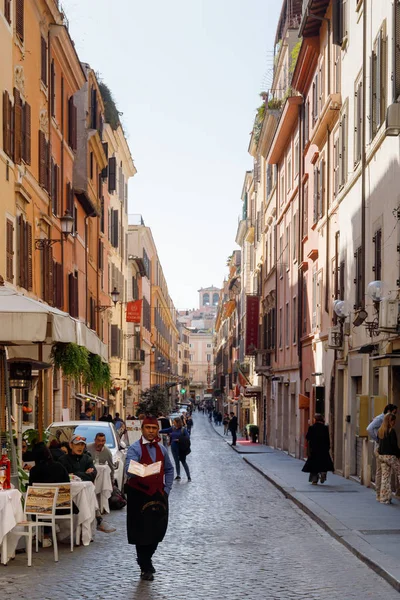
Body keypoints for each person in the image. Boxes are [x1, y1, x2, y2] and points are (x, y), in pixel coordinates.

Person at [125, 416, 174, 581]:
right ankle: (145, 566)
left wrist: (166, 489)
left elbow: (169, 469)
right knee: (141, 533)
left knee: (158, 531)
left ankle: (145, 559)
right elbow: (128, 470)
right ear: (142, 429)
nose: (151, 431)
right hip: (138, 496)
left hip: (158, 496)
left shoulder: (162, 449)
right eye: (148, 428)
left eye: (154, 428)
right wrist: (141, 469)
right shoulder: (134, 449)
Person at [59, 434, 115, 533]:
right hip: (69, 493)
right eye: (77, 444)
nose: (80, 447)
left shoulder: (87, 459)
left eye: (82, 445)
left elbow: (93, 474)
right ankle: (98, 519)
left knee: (89, 493)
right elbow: (64, 476)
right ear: (71, 445)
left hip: (86, 491)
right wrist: (84, 474)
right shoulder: (63, 460)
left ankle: (96, 520)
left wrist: (75, 474)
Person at [29, 442, 70, 547]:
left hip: (41, 509)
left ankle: (45, 535)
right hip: (62, 507)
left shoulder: (34, 471)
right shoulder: (60, 467)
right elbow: (67, 483)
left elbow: (32, 491)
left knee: (38, 502)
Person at [367, 404, 398, 501]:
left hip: (382, 452)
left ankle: (382, 496)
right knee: (381, 472)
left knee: (384, 474)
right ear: (389, 411)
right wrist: (377, 440)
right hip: (384, 451)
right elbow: (369, 428)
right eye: (394, 412)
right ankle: (379, 494)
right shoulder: (381, 419)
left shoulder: (383, 427)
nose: (395, 414)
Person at [302, 414, 334, 484]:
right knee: (323, 463)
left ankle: (314, 480)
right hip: (323, 449)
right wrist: (327, 447)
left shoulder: (311, 427)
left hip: (314, 449)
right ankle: (323, 473)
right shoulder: (325, 428)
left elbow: (307, 438)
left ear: (315, 420)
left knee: (314, 465)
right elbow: (327, 439)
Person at [377, 413, 400, 504]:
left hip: (382, 456)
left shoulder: (380, 431)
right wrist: (398, 454)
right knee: (399, 472)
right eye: (393, 420)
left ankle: (384, 497)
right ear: (389, 421)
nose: (394, 423)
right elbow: (394, 446)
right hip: (391, 456)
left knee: (385, 477)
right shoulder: (391, 431)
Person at [160, 417, 191, 481]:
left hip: (181, 448)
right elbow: (166, 430)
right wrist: (158, 431)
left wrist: (179, 440)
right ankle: (178, 475)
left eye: (174, 422)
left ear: (178, 422)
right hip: (173, 447)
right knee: (176, 462)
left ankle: (188, 476)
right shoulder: (173, 428)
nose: (173, 423)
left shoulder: (183, 429)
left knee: (183, 462)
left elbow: (187, 437)